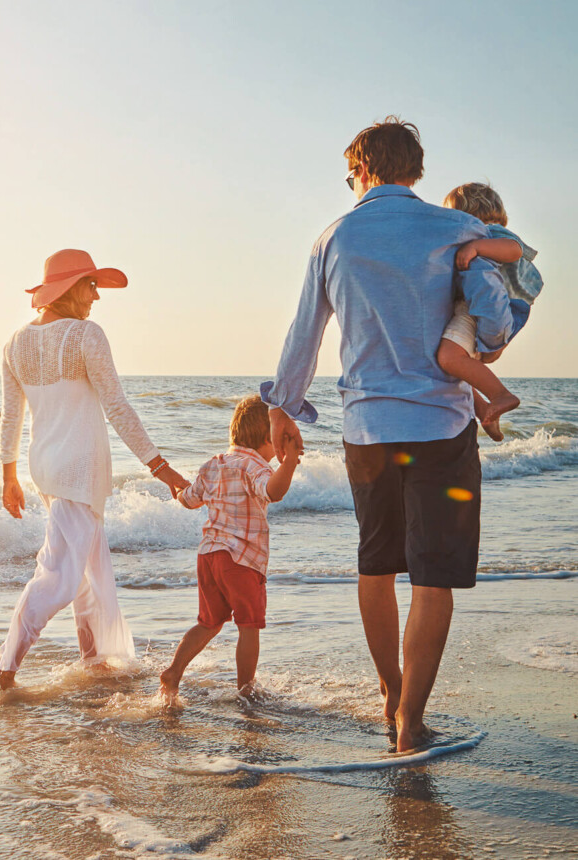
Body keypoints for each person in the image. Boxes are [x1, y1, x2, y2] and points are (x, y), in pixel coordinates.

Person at [261, 117, 514, 752]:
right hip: (441, 426)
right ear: (414, 170)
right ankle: (411, 724)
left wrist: (283, 406)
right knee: (432, 577)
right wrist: (487, 341)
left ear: (365, 170)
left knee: (376, 566)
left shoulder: (333, 238)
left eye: (351, 174)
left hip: (367, 430)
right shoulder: (456, 227)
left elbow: (304, 335)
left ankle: (390, 694)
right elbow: (491, 314)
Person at [0, 249, 189, 692]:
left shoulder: (13, 343)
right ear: (67, 288)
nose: (96, 296)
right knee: (59, 575)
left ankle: (94, 660)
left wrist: (10, 476)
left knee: (90, 572)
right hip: (79, 468)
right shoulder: (86, 335)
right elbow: (116, 406)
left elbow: (10, 418)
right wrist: (161, 468)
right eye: (90, 285)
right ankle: (5, 666)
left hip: (47, 468)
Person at [159, 395, 300, 701]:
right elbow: (273, 491)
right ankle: (245, 690)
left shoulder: (213, 465)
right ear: (268, 438)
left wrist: (177, 488)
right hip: (241, 560)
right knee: (249, 626)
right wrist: (289, 463)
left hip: (209, 556)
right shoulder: (255, 466)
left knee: (209, 622)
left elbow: (188, 499)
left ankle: (174, 671)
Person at [438, 182, 544, 441]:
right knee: (462, 366)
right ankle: (485, 411)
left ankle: (500, 395)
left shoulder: (489, 232)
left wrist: (476, 247)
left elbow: (514, 250)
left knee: (449, 358)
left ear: (469, 212)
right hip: (489, 307)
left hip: (489, 307)